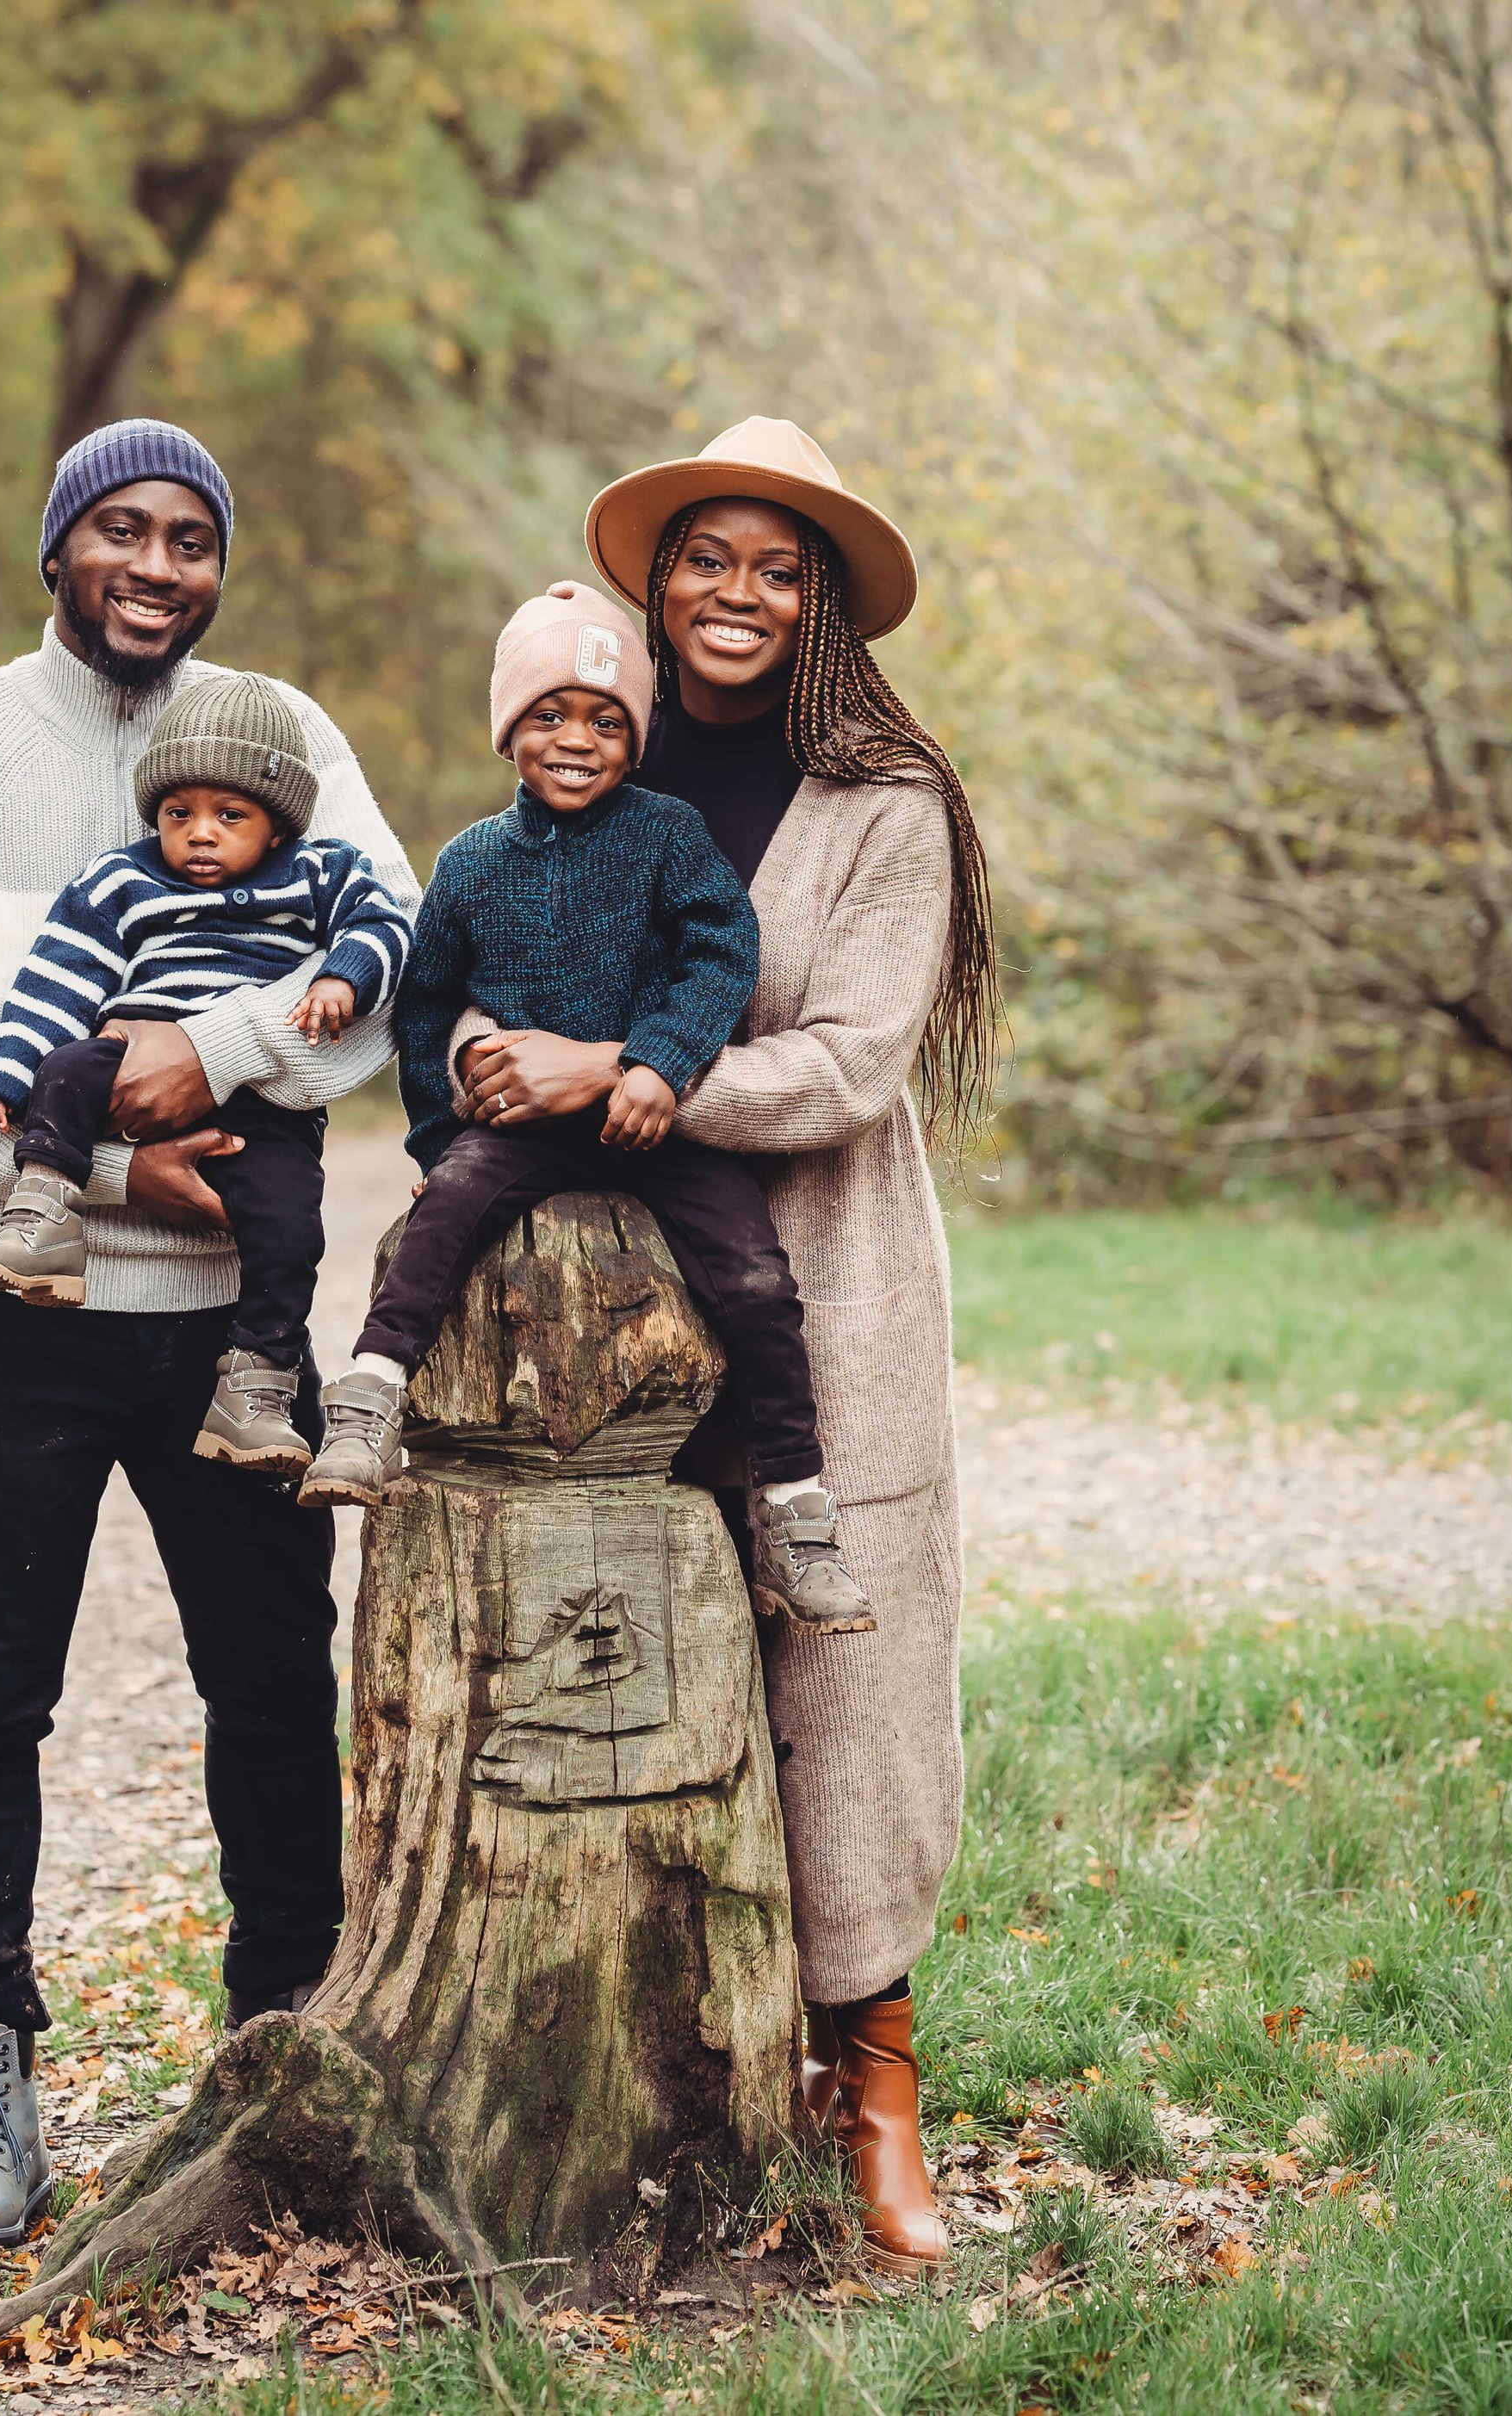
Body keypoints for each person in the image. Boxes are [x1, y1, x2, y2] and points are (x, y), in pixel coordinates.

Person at [0, 418, 418, 2252]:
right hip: (13, 1309)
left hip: (230, 1329)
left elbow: (391, 952)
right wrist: (110, 1167)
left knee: (268, 1683)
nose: (158, 566)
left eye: (189, 538)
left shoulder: (284, 731)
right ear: (59, 549)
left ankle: (285, 2051)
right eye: (123, 532)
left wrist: (219, 1058)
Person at [449, 419, 1001, 2272]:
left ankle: (875, 2079)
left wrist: (631, 1075)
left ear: (819, 596)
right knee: (623, 1653)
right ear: (654, 576)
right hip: (595, 1289)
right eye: (708, 558)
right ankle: (657, 2067)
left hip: (820, 1273)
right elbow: (482, 954)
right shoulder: (582, 747)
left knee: (844, 1660)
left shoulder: (881, 800)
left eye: (779, 567)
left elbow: (848, 1060)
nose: (738, 593)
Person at [303, 585, 875, 1637]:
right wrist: (438, 1136)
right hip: (521, 1127)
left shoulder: (667, 835)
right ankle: (368, 1400)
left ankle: (797, 1514)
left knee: (754, 1282)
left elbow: (721, 950)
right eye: (550, 714)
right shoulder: (472, 862)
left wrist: (658, 1064)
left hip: (650, 1119)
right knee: (443, 1217)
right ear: (508, 728)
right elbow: (427, 1003)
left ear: (638, 737)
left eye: (607, 720)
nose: (577, 739)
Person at [0, 673, 413, 1477]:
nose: (200, 834)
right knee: (66, 1065)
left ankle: (256, 1387)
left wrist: (341, 976)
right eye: (179, 815)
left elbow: (389, 925)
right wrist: (11, 1068)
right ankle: (44, 1222)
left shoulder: (317, 871)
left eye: (229, 816)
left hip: (265, 1103)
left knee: (290, 1226)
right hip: (131, 1055)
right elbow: (59, 978)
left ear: (277, 825)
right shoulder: (124, 880)